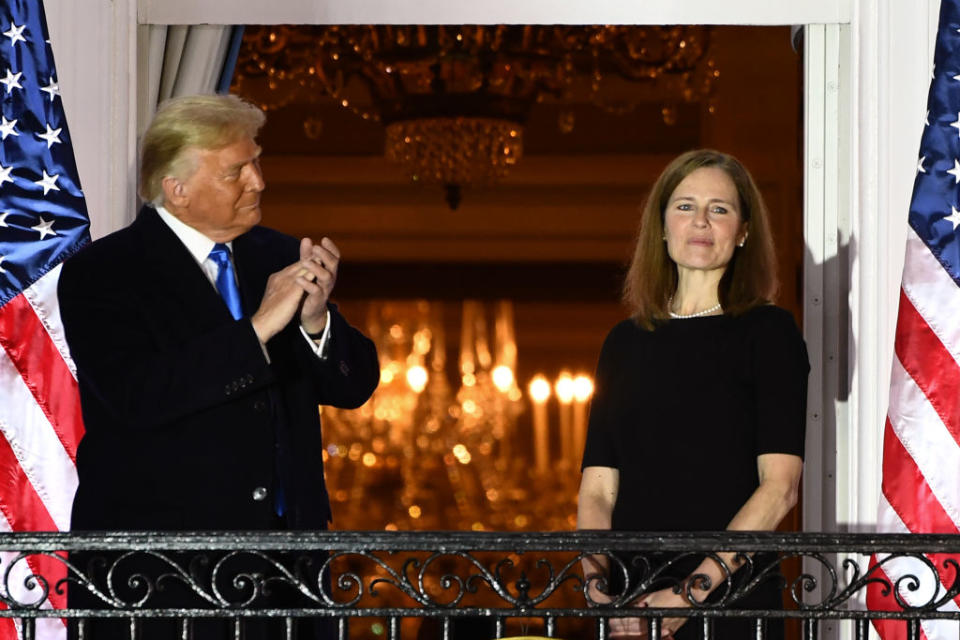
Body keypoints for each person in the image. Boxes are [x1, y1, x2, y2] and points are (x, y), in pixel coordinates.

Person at [58, 94, 380, 638]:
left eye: (257, 162)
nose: (258, 182)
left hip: (290, 580)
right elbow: (140, 397)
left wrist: (317, 319)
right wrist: (257, 329)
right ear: (176, 189)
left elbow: (353, 385)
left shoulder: (279, 255)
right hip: (157, 583)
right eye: (237, 170)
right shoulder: (102, 273)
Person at [577, 149, 809, 639]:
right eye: (684, 206)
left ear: (743, 231)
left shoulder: (769, 333)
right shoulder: (624, 341)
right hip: (631, 605)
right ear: (662, 226)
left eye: (719, 209)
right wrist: (599, 590)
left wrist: (691, 594)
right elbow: (597, 490)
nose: (700, 221)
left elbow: (780, 487)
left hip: (732, 602)